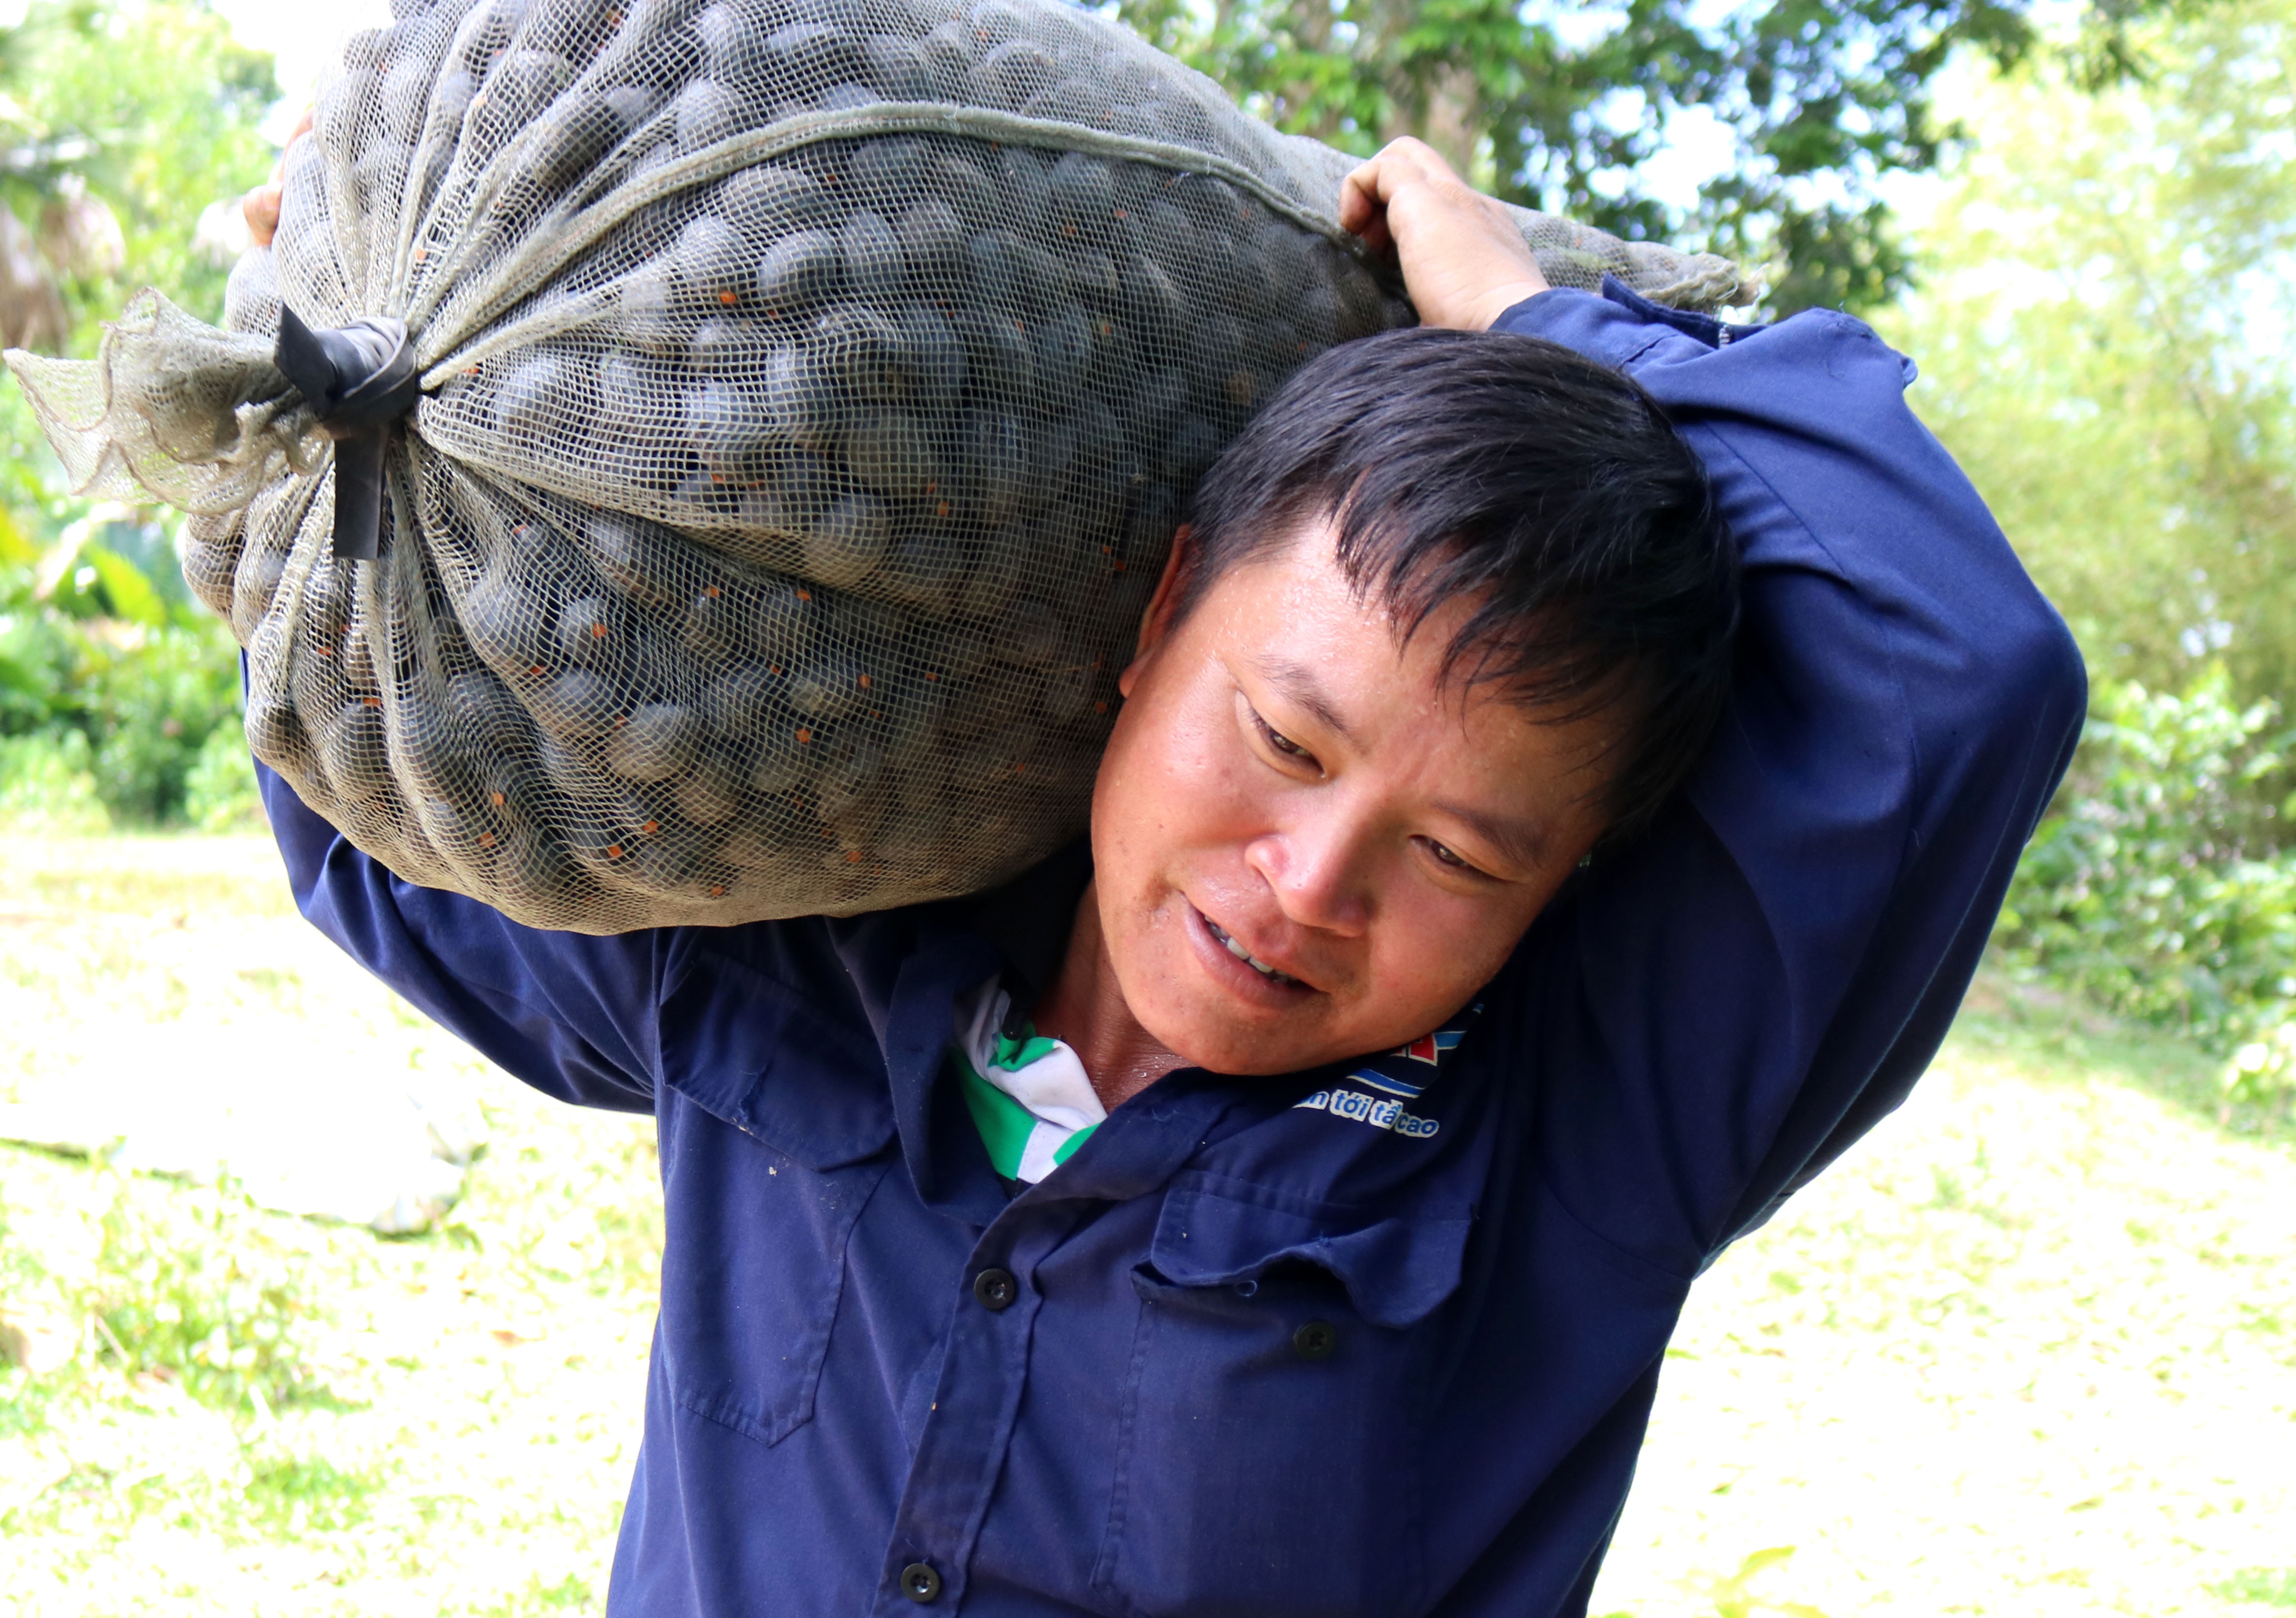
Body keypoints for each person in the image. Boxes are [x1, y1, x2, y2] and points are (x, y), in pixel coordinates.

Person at [244, 137, 2085, 1616]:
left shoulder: (1587, 1130)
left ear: (1564, 879)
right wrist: (312, 401)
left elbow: (1961, 661)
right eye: (1285, 741)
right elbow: (385, 829)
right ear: (1155, 617)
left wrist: (1535, 318)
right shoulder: (803, 956)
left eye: (1454, 853)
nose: (1307, 887)